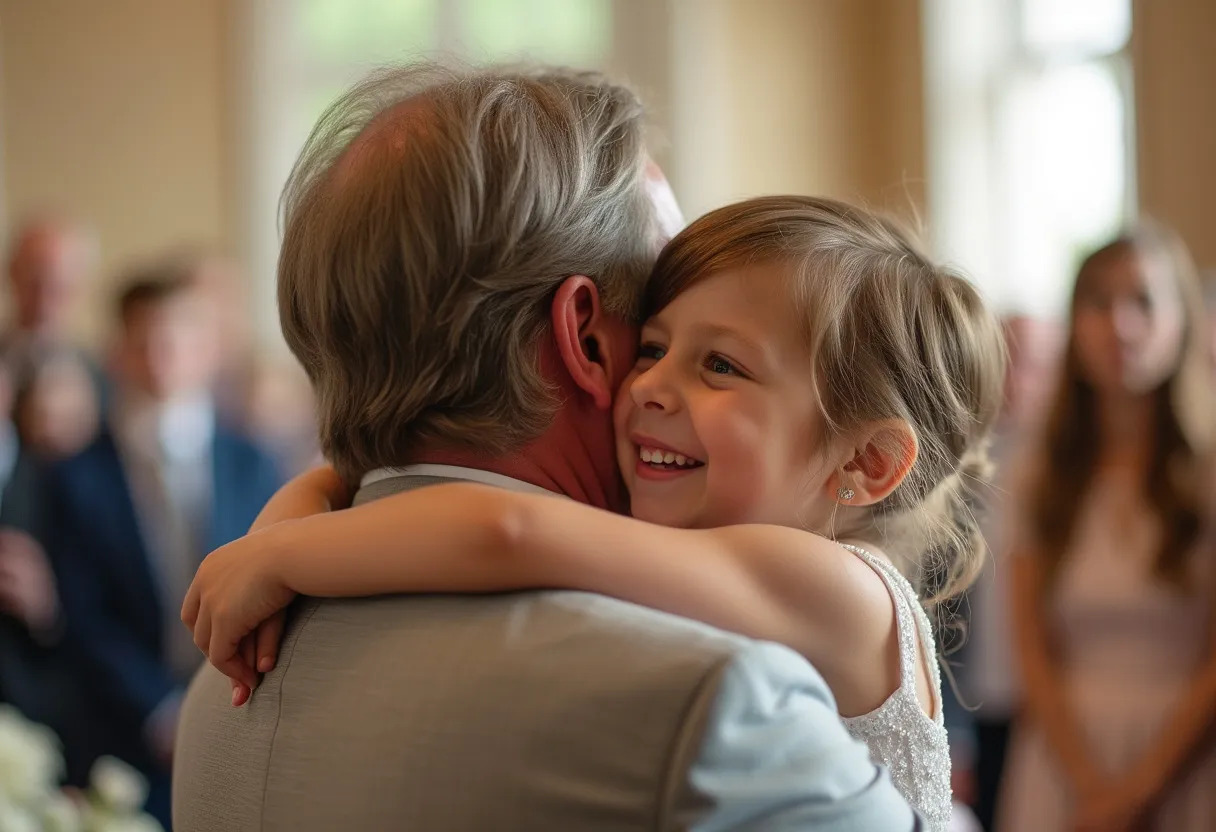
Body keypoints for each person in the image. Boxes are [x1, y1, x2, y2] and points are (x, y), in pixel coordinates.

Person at [172, 63, 922, 831]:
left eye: (719, 362)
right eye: (658, 321)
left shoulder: (227, 676)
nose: (661, 387)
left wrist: (291, 529)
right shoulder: (716, 709)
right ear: (589, 340)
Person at [45, 265, 283, 826]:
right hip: (120, 739)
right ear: (118, 352)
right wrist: (158, 711)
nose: (163, 354)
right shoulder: (76, 476)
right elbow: (82, 614)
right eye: (146, 339)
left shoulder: (254, 462)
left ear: (207, 349)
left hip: (239, 721)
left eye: (178, 338)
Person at [999, 222, 1216, 831]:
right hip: (1065, 759)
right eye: (1098, 301)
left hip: (1187, 759)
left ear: (1182, 319)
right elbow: (1031, 648)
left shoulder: (1208, 473)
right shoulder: (1039, 471)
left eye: (1143, 301)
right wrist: (1092, 786)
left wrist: (1141, 788)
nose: (1120, 324)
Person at [951, 315, 1061, 831]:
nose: (1019, 379)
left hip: (1053, 696)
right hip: (979, 702)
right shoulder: (961, 465)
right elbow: (938, 608)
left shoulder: (1067, 466)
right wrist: (953, 735)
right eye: (1008, 360)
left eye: (1035, 363)